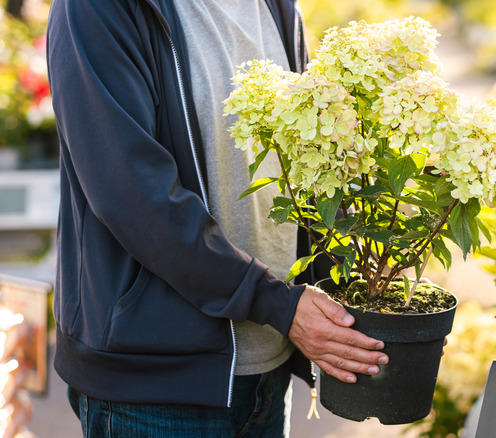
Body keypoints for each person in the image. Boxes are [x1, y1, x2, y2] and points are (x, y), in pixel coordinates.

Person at [45, 0, 389, 436]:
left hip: (270, 364)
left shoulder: (276, 6)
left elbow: (309, 159)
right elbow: (134, 195)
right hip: (155, 388)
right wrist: (275, 303)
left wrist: (361, 290)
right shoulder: (96, 8)